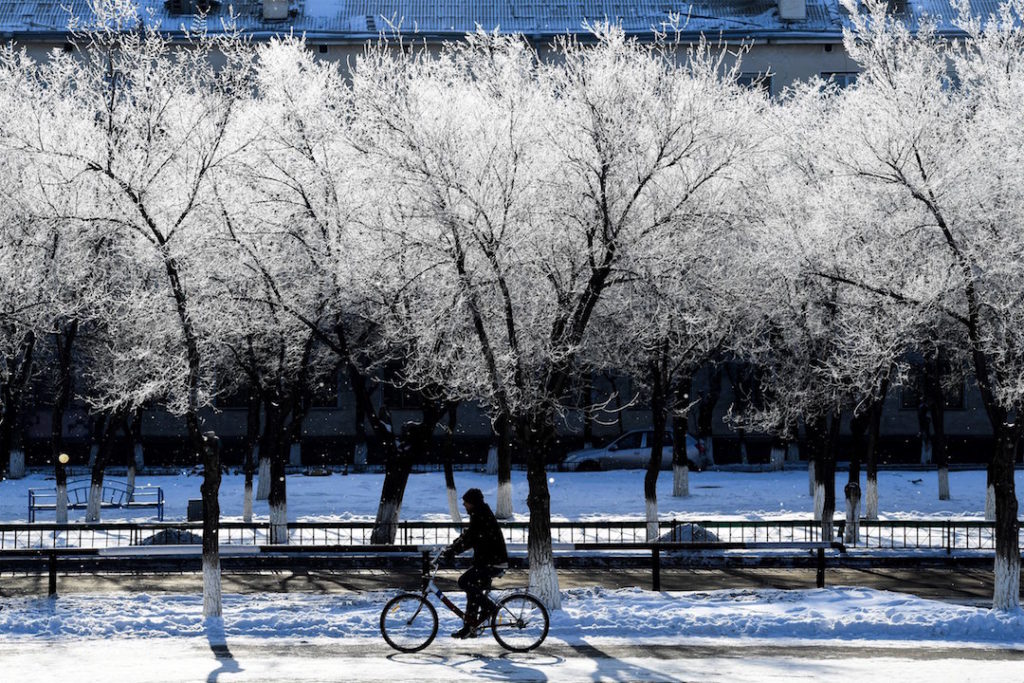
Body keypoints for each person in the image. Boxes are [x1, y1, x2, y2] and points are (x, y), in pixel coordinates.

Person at [442, 488, 509, 639]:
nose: (464, 505)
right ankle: (470, 627)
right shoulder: (479, 513)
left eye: (466, 502)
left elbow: (471, 538)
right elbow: (468, 535)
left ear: (472, 503)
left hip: (493, 562)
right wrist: (452, 547)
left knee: (464, 582)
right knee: (472, 592)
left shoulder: (481, 515)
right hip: (488, 561)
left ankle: (489, 607)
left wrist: (453, 551)